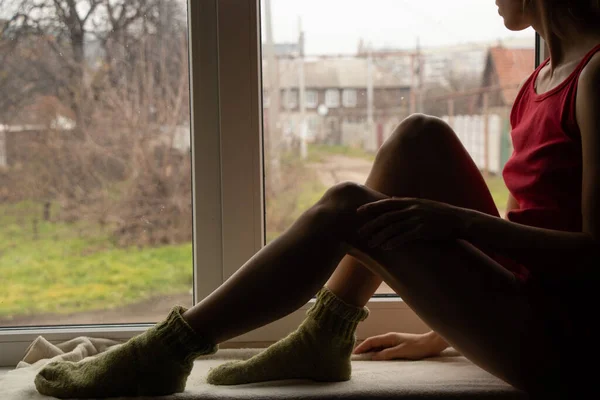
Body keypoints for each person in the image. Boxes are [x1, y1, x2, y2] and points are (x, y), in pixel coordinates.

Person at [34, 0, 600, 398]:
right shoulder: (543, 75)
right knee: (418, 137)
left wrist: (459, 224)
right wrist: (443, 331)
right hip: (525, 304)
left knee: (348, 207)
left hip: (564, 347)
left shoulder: (596, 75)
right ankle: (326, 334)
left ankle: (170, 349)